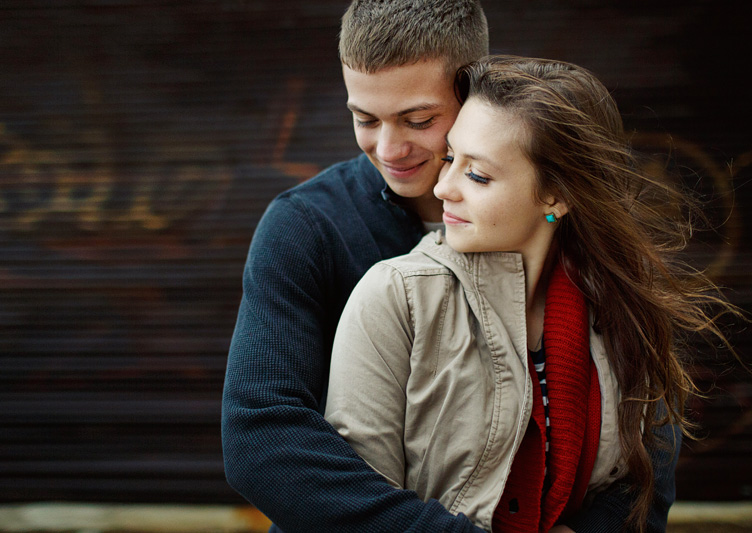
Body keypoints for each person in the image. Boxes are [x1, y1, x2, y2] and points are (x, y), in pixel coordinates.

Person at [221, 1, 680, 531]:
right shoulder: (307, 226)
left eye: (418, 120)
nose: (389, 148)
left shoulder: (574, 236)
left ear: (471, 93)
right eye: (364, 119)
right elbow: (260, 434)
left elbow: (646, 453)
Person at [325, 55, 739, 532]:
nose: (442, 188)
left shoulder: (624, 308)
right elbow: (357, 505)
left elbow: (638, 491)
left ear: (556, 196)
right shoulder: (396, 296)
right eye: (450, 159)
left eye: (477, 175)